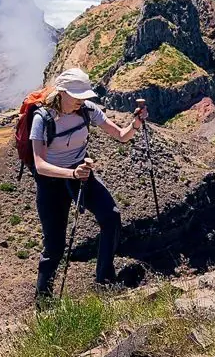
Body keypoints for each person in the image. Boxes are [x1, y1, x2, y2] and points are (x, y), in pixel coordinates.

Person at [29, 68, 148, 299]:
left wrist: (135, 124)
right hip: (53, 182)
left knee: (111, 217)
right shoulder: (41, 119)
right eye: (77, 96)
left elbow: (121, 136)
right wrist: (73, 174)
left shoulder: (88, 111)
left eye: (84, 96)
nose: (81, 101)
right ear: (61, 92)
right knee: (54, 246)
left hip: (80, 174)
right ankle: (43, 301)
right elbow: (40, 165)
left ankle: (104, 280)